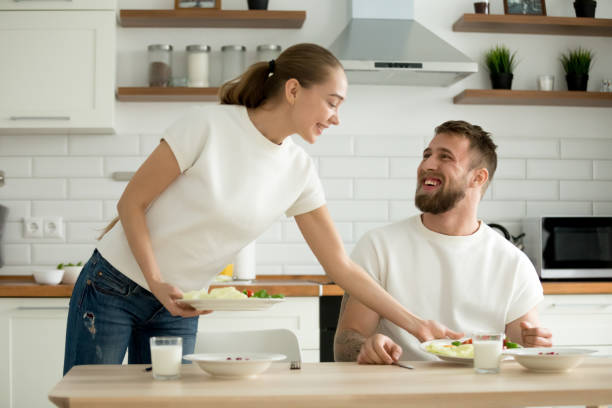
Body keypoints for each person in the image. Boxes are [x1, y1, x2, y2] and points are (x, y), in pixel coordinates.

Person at [62, 43, 461, 375]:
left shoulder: (299, 170)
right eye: (332, 103)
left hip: (178, 306)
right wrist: (155, 278)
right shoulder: (208, 125)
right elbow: (132, 201)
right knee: (90, 400)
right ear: (293, 90)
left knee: (167, 403)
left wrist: (418, 325)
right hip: (113, 286)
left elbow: (341, 266)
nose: (336, 118)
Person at [334, 120, 553, 365]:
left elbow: (522, 348)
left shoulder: (513, 263)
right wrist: (366, 347)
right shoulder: (379, 246)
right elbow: (345, 343)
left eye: (445, 157)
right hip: (401, 394)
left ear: (478, 178)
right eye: (426, 155)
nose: (427, 164)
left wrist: (534, 345)